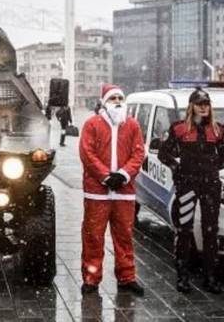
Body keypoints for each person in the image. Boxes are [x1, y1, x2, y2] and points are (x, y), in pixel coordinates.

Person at [158, 88, 224, 294]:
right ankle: (182, 278)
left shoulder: (219, 130)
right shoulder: (179, 129)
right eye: (199, 103)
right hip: (187, 186)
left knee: (210, 231)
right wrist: (176, 168)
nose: (203, 107)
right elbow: (164, 154)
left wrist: (209, 167)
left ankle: (210, 277)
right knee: (184, 231)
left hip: (210, 186)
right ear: (191, 106)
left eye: (206, 103)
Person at [79, 84, 145, 296]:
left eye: (120, 98)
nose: (117, 101)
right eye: (113, 98)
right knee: (93, 236)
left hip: (124, 193)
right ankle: (91, 277)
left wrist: (123, 175)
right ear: (105, 102)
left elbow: (138, 154)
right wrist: (106, 176)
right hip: (97, 192)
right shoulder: (92, 124)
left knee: (124, 235)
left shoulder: (132, 125)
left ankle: (127, 277)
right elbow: (87, 153)